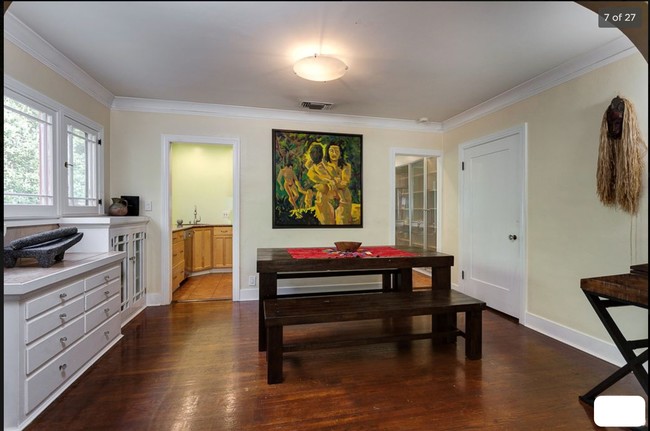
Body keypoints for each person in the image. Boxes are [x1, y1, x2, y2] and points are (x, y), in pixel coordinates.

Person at [304, 142, 335, 224]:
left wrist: (326, 181)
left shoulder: (321, 167)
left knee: (326, 218)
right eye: (312, 152)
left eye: (315, 152)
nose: (313, 155)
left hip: (325, 196)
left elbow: (328, 180)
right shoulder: (315, 166)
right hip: (321, 197)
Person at [323, 141, 353, 224]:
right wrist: (329, 181)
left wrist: (334, 183)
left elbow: (345, 182)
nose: (334, 153)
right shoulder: (323, 165)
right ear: (327, 152)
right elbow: (314, 175)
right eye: (331, 150)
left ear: (340, 153)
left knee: (342, 221)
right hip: (328, 197)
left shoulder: (346, 166)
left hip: (343, 198)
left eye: (336, 151)